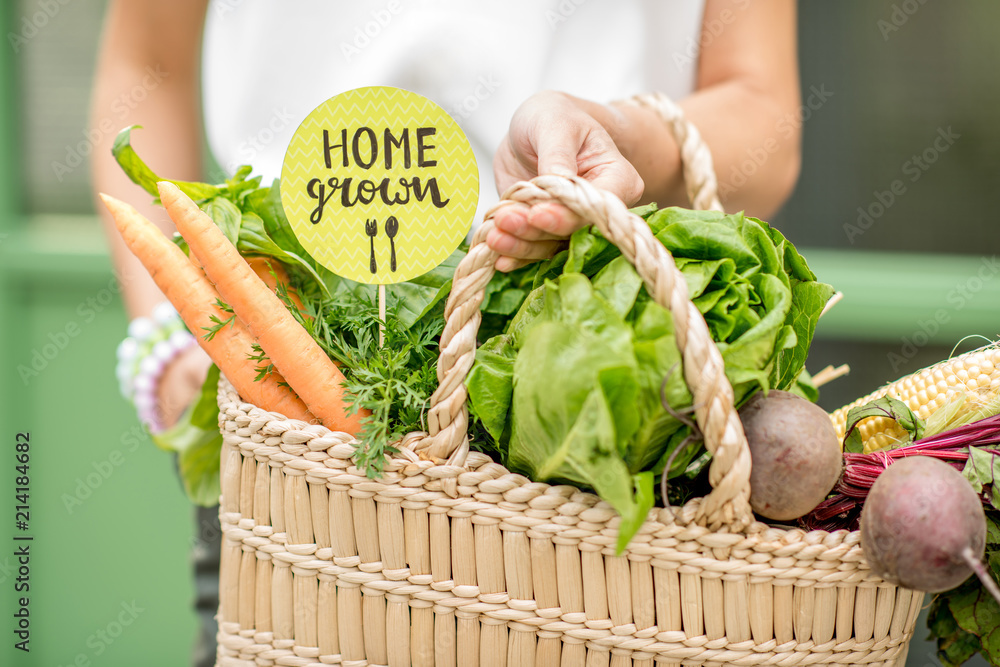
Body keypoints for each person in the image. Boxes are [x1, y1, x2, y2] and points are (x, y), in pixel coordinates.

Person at [90, 1, 800, 664]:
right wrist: (167, 339)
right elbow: (146, 63)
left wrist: (612, 133)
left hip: (595, 406)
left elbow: (762, 111)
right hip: (294, 412)